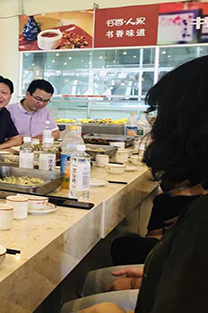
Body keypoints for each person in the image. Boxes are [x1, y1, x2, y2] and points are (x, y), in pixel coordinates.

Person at [61, 55, 208, 313]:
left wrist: (112, 311)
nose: (155, 124)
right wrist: (156, 270)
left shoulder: (201, 223)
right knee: (93, 280)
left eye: (161, 113)